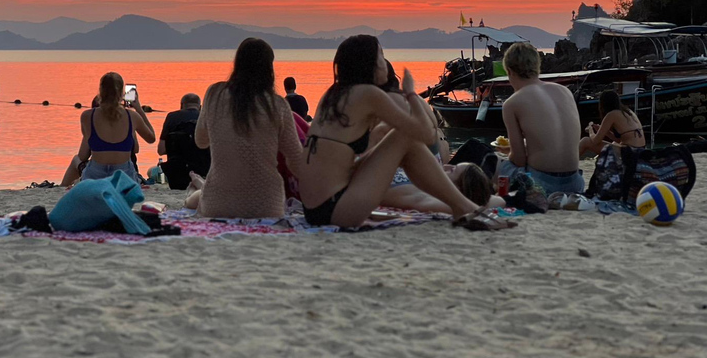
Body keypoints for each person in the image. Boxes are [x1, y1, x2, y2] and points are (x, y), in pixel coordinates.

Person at [297, 35, 492, 228]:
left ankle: (462, 206)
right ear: (369, 64)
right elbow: (426, 135)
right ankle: (463, 206)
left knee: (400, 136)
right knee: (404, 135)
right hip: (337, 209)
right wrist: (410, 94)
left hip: (314, 208)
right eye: (381, 55)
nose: (385, 61)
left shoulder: (331, 95)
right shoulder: (369, 94)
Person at [185, 38, 304, 219]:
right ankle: (199, 185)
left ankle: (197, 186)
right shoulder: (278, 105)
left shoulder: (214, 94)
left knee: (195, 197)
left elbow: (200, 142)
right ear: (269, 68)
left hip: (218, 205)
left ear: (237, 63)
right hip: (267, 207)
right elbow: (296, 162)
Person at [499, 42, 584, 194]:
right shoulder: (565, 92)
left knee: (496, 163)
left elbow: (518, 160)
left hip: (542, 184)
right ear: (537, 67)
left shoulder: (512, 103)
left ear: (510, 72)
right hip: (575, 183)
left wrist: (508, 153)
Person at [77, 73, 155, 181]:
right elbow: (151, 138)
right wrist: (138, 108)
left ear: (100, 90)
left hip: (96, 174)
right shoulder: (132, 116)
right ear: (122, 92)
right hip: (124, 174)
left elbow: (84, 153)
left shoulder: (87, 116)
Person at [158, 93, 211, 189]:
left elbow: (161, 150)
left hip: (177, 176)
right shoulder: (207, 117)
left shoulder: (172, 117)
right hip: (203, 172)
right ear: (200, 107)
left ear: (181, 105)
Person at [579, 89, 645, 156]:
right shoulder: (628, 111)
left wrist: (590, 130)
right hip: (640, 150)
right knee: (614, 143)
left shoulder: (611, 115)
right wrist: (606, 132)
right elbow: (619, 140)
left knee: (585, 141)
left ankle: (569, 164)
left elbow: (596, 141)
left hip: (630, 152)